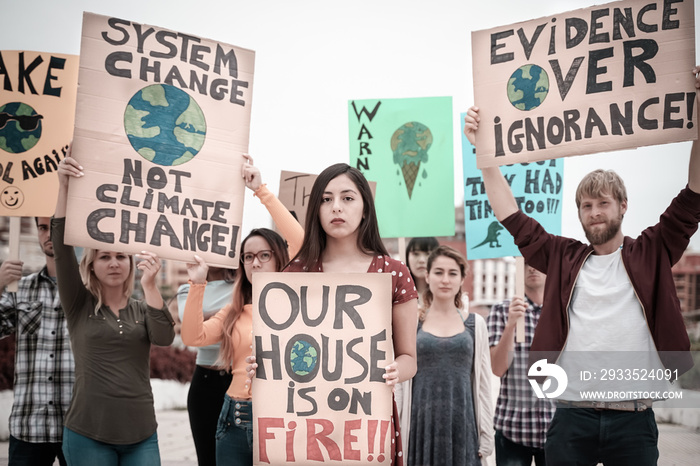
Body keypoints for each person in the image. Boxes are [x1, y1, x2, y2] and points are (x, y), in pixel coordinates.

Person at [462, 66, 700, 465]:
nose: (594, 212)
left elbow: (694, 195)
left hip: (634, 419)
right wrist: (483, 153)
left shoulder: (652, 250)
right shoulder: (562, 256)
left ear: (623, 206)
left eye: (603, 203)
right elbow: (510, 216)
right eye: (586, 206)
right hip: (572, 418)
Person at [245, 162, 419, 464]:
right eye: (326, 199)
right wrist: (262, 368)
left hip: (366, 423)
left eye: (347, 198)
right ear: (316, 209)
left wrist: (394, 371)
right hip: (304, 429)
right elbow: (284, 351)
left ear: (365, 208)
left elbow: (409, 359)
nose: (336, 207)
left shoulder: (394, 273)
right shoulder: (295, 273)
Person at [181, 156, 304, 465]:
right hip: (234, 418)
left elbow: (300, 240)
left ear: (280, 258)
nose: (256, 262)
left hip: (283, 417)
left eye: (264, 255)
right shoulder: (234, 310)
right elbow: (194, 337)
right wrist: (198, 284)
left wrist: (260, 189)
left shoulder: (301, 304)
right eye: (248, 257)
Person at [53, 156, 175, 466]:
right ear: (91, 265)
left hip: (142, 435)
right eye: (104, 256)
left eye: (121, 255)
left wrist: (150, 286)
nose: (114, 262)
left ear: (131, 263)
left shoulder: (141, 306)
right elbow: (62, 248)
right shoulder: (79, 304)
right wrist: (64, 187)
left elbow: (164, 337)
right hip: (87, 432)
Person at [399, 245, 493, 465]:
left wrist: (487, 434)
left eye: (452, 273)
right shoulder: (412, 323)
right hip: (420, 426)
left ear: (461, 279)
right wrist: (398, 431)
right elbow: (400, 385)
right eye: (439, 272)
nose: (445, 280)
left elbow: (483, 385)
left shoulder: (475, 324)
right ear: (427, 276)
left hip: (463, 423)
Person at [0, 217, 74, 466]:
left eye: (55, 226)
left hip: (78, 426)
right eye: (43, 227)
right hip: (28, 425)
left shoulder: (91, 290)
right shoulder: (20, 288)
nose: (48, 234)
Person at [488, 263, 553, 466]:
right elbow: (497, 368)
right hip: (513, 428)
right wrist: (511, 326)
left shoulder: (562, 311)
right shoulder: (501, 311)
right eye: (526, 264)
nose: (532, 268)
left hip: (557, 429)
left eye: (538, 263)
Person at [176, 265, 234, 466]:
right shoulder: (187, 289)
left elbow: (199, 326)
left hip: (241, 380)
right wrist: (233, 312)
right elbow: (193, 333)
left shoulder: (245, 286)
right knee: (207, 459)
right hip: (205, 383)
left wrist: (207, 318)